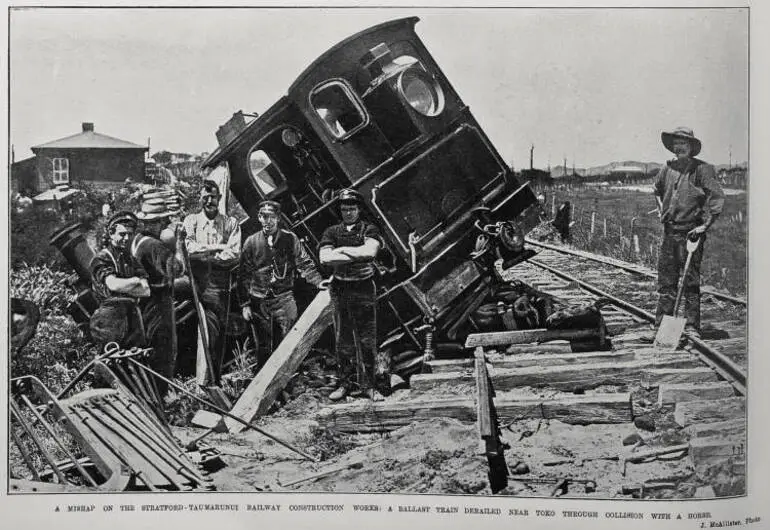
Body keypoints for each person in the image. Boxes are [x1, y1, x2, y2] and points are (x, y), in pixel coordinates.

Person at [89, 209, 185, 389]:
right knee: (111, 367)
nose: (126, 239)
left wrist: (131, 285)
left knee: (136, 365)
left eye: (129, 234)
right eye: (122, 234)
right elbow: (113, 285)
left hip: (133, 317)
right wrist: (134, 281)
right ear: (111, 234)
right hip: (110, 320)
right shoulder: (101, 258)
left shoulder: (129, 259)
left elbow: (146, 290)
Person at [653, 127, 724, 339]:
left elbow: (717, 198)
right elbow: (656, 190)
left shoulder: (702, 170)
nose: (679, 146)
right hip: (670, 232)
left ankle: (692, 326)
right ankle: (660, 328)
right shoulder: (667, 168)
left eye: (684, 143)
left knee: (690, 282)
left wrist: (705, 226)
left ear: (691, 147)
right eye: (676, 143)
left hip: (691, 233)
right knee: (666, 282)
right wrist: (661, 211)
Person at [318, 189, 385, 401]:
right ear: (340, 210)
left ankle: (369, 386)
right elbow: (325, 259)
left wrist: (340, 252)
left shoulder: (369, 229)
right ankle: (345, 384)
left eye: (352, 208)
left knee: (367, 339)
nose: (348, 212)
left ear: (359, 209)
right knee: (342, 341)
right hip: (341, 289)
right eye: (345, 209)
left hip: (364, 287)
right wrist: (354, 253)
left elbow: (369, 253)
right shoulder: (330, 231)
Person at [238, 200, 324, 359]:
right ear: (259, 218)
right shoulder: (251, 242)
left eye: (272, 217)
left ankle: (289, 382)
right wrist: (245, 305)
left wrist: (318, 281)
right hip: (260, 303)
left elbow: (304, 263)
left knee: (289, 343)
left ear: (278, 218)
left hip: (284, 298)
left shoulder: (290, 239)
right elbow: (244, 275)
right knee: (264, 348)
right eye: (264, 216)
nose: (268, 221)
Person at [182, 180, 241, 382]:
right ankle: (202, 382)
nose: (209, 201)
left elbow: (234, 254)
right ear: (199, 198)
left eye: (213, 197)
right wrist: (217, 248)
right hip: (198, 283)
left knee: (218, 335)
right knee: (202, 333)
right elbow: (189, 248)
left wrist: (206, 254)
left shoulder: (230, 223)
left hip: (220, 284)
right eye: (205, 197)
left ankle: (213, 381)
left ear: (219, 198)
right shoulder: (191, 221)